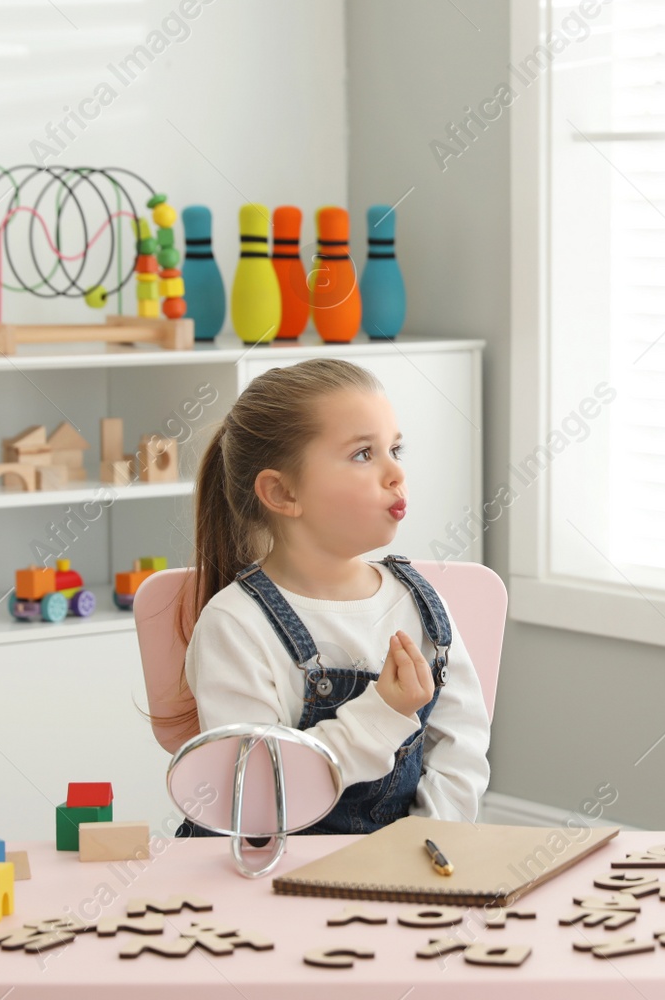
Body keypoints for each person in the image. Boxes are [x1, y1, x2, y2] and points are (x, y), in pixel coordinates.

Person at [162, 357, 490, 840]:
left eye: (395, 448)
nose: (395, 472)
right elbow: (256, 798)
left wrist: (423, 844)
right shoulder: (234, 624)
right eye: (363, 454)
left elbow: (460, 748)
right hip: (266, 873)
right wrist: (382, 714)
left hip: (401, 866)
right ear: (282, 492)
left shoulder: (421, 604)